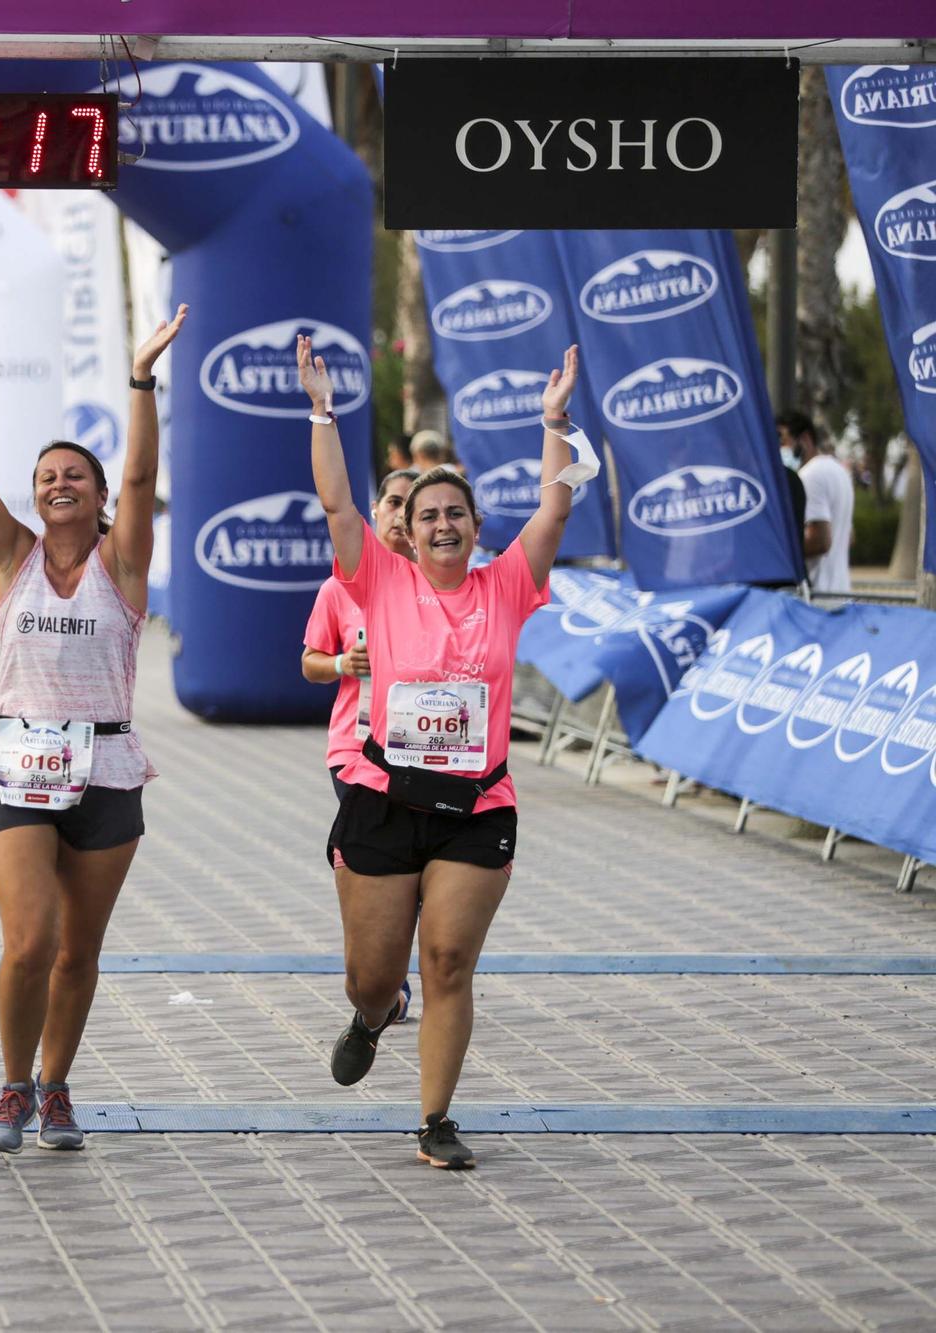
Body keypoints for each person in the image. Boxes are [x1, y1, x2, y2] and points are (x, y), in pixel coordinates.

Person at [306, 334, 582, 1170]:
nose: (442, 524)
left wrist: (555, 420)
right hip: (384, 797)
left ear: (475, 525)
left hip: (476, 806)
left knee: (450, 960)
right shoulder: (378, 582)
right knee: (373, 972)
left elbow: (559, 506)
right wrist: (323, 411)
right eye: (427, 515)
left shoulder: (507, 585)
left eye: (455, 512)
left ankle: (436, 1120)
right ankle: (371, 1014)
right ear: (411, 532)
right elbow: (337, 505)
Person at [0, 301, 188, 1154]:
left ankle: (58, 1085)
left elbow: (145, 482)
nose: (58, 484)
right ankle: (11, 1086)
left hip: (107, 767)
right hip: (15, 761)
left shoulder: (124, 562)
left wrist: (140, 379)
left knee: (78, 952)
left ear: (101, 496)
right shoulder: (13, 556)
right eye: (46, 477)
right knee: (30, 939)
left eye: (76, 474)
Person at [302, 467, 418, 801]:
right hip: (356, 748)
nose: (400, 514)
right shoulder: (338, 589)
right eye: (394, 502)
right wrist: (343, 663)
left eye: (411, 506)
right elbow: (310, 665)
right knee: (369, 849)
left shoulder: (440, 586)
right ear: (375, 508)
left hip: (422, 746)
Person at [779, 411, 854, 595]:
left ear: (804, 438)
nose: (780, 447)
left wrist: (777, 551)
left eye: (782, 440)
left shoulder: (809, 476)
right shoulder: (838, 470)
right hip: (839, 592)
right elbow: (850, 536)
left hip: (817, 594)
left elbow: (820, 541)